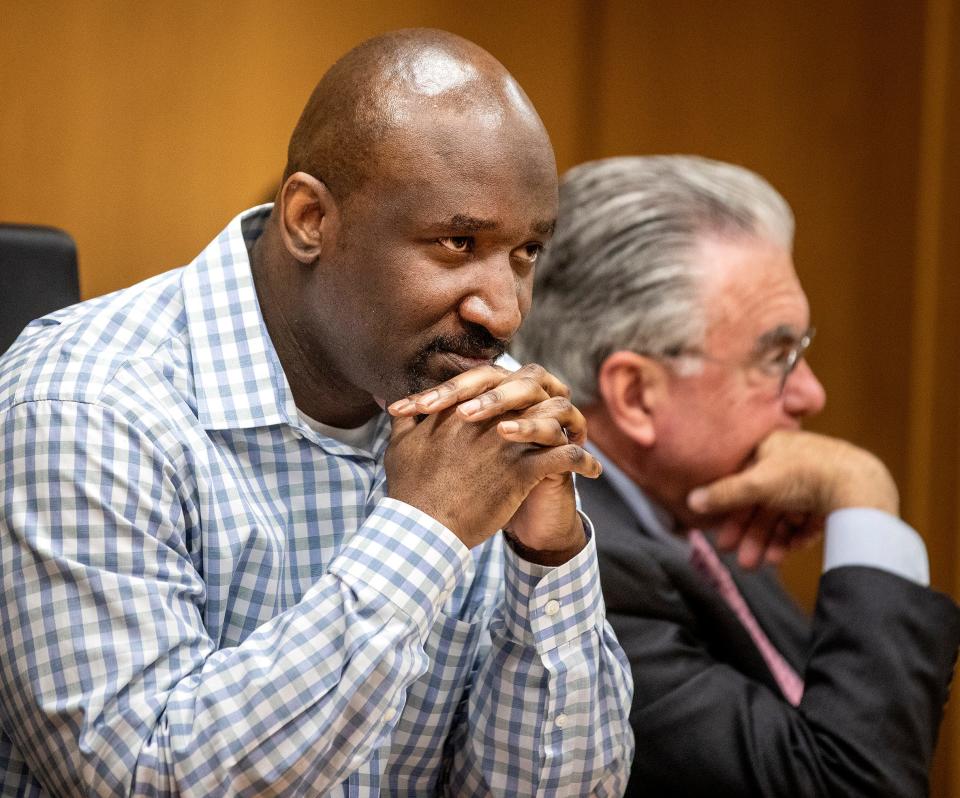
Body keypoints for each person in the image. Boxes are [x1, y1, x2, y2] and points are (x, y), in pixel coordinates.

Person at [0, 30, 634, 796]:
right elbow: (146, 776)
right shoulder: (86, 402)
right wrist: (423, 533)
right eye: (457, 242)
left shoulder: (476, 418)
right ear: (309, 219)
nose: (503, 312)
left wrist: (548, 563)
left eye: (526, 253)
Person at [513, 154, 960, 797]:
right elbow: (848, 784)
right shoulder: (576, 568)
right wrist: (865, 497)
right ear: (637, 394)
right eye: (777, 357)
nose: (812, 394)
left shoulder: (696, 509)